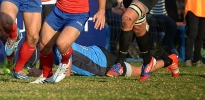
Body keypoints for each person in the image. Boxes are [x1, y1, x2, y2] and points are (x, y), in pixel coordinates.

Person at [28, 42, 180, 78]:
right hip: (98, 52)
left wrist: (40, 74)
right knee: (136, 69)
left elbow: (65, 73)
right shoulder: (55, 44)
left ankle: (169, 60)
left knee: (138, 71)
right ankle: (169, 60)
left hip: (102, 63)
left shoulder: (60, 48)